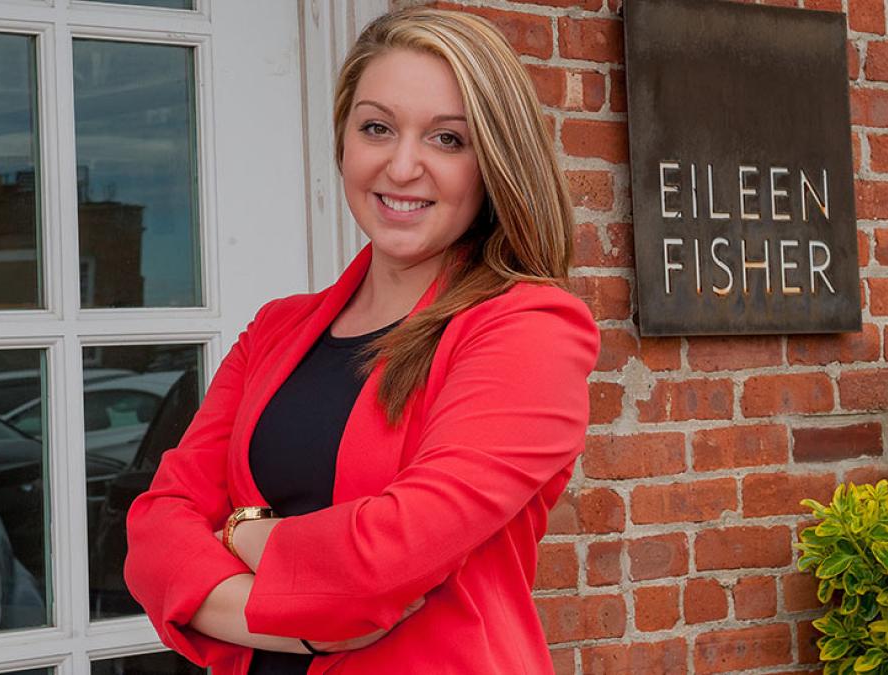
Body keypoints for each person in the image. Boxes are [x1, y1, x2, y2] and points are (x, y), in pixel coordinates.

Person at [123, 7, 599, 675]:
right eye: (377, 128)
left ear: (493, 162)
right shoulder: (277, 329)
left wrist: (237, 530)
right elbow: (155, 528)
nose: (403, 167)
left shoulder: (528, 329)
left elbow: (385, 558)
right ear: (344, 141)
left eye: (447, 139)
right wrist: (308, 631)